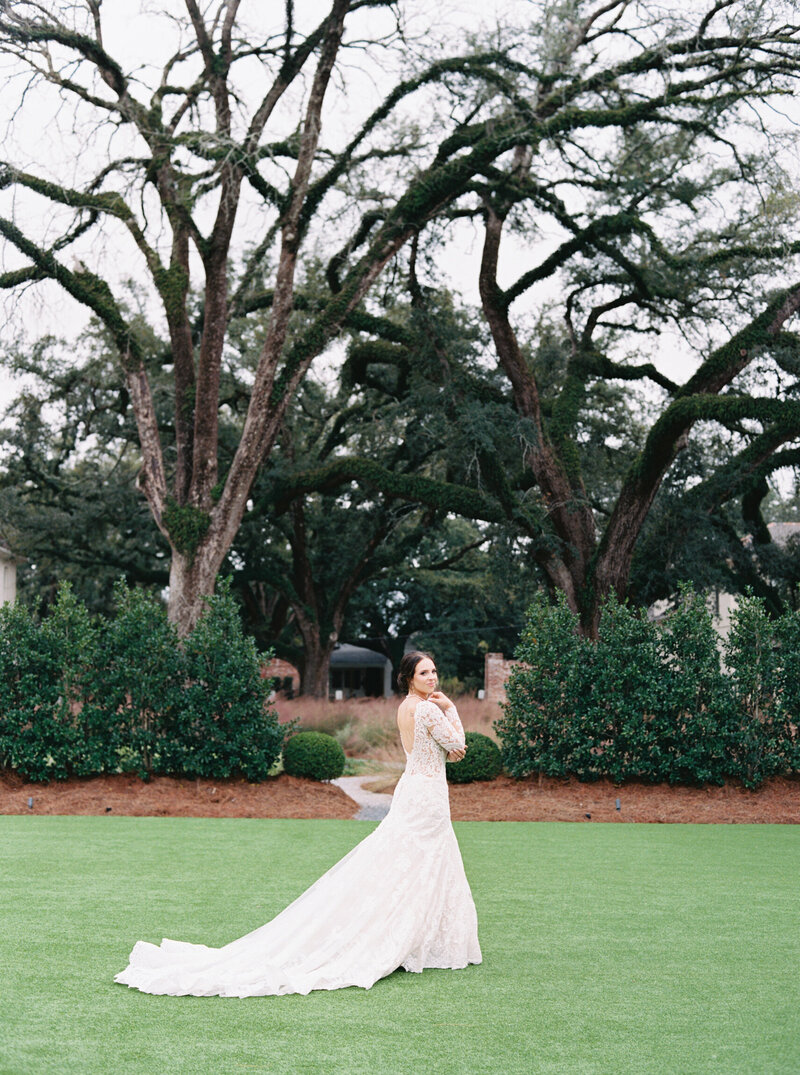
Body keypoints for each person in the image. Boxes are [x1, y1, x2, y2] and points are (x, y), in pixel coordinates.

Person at [114, 651, 482, 997]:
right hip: (427, 795)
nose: (432, 678)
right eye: (424, 673)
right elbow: (458, 748)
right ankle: (411, 941)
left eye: (434, 671)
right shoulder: (431, 711)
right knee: (420, 863)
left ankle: (415, 940)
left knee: (411, 863)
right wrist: (452, 708)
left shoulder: (406, 707)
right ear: (408, 678)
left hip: (414, 790)